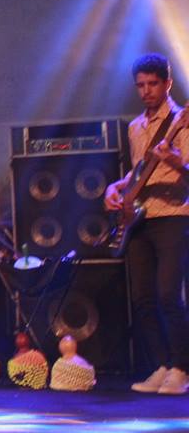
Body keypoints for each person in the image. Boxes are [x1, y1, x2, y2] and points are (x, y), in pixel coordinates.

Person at [105, 53, 189, 395]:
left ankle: (182, 369)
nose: (146, 91)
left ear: (167, 83)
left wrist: (177, 162)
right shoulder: (135, 127)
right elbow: (138, 171)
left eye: (152, 84)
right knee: (142, 299)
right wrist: (115, 188)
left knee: (169, 294)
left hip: (173, 216)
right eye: (140, 85)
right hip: (138, 218)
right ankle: (162, 366)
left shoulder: (182, 121)